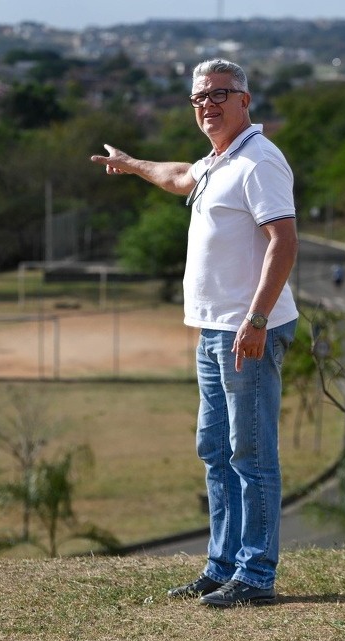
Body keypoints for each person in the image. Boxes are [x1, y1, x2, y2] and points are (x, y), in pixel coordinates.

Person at [90, 58, 299, 608]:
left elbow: (284, 242)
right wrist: (132, 164)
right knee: (215, 449)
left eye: (219, 94)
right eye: (199, 98)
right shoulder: (215, 163)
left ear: (245, 100)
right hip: (213, 331)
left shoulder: (259, 161)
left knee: (250, 454)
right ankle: (222, 566)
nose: (207, 105)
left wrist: (255, 320)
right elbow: (177, 175)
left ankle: (255, 576)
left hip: (246, 333)